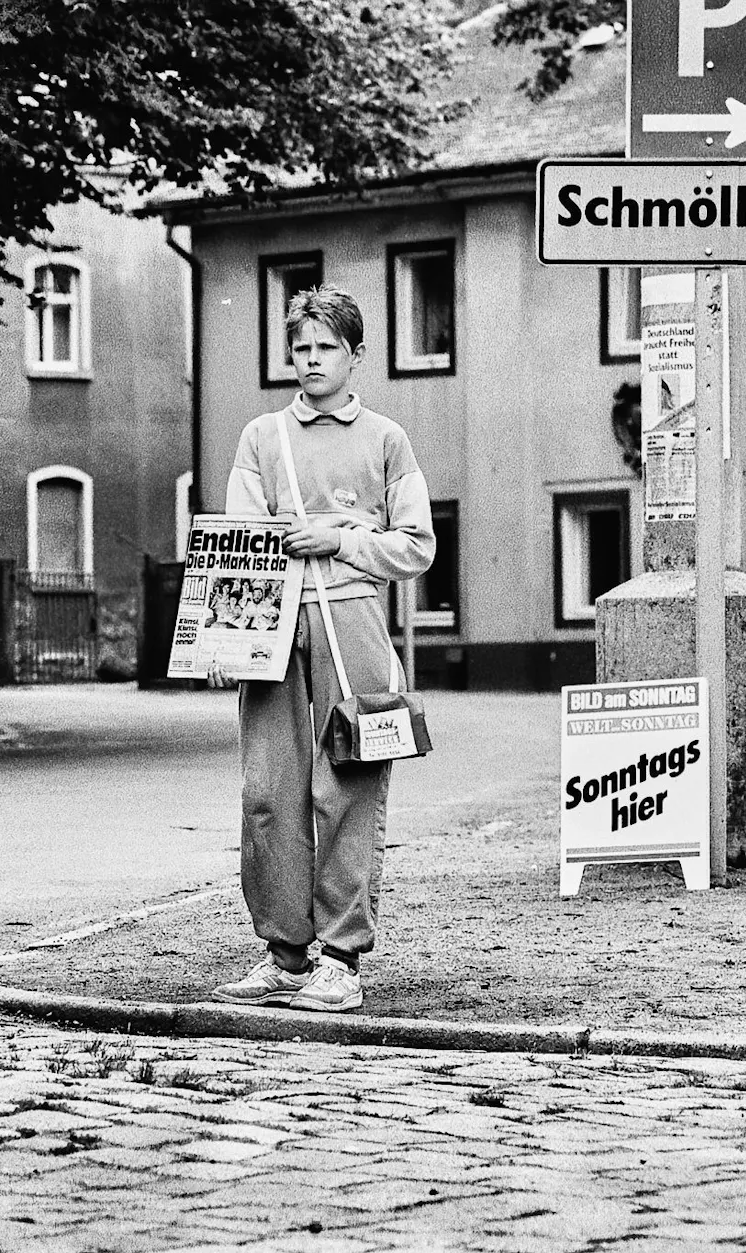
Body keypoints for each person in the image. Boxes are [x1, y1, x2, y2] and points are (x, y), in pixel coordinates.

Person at [208, 284, 434, 1013]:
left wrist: (342, 539)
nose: (310, 361)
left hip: (352, 619)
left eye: (325, 348)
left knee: (349, 786)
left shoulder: (387, 439)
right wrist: (223, 638)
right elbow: (239, 545)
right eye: (299, 349)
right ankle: (284, 953)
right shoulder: (262, 437)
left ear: (356, 355)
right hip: (271, 626)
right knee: (268, 792)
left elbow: (417, 545)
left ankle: (342, 957)